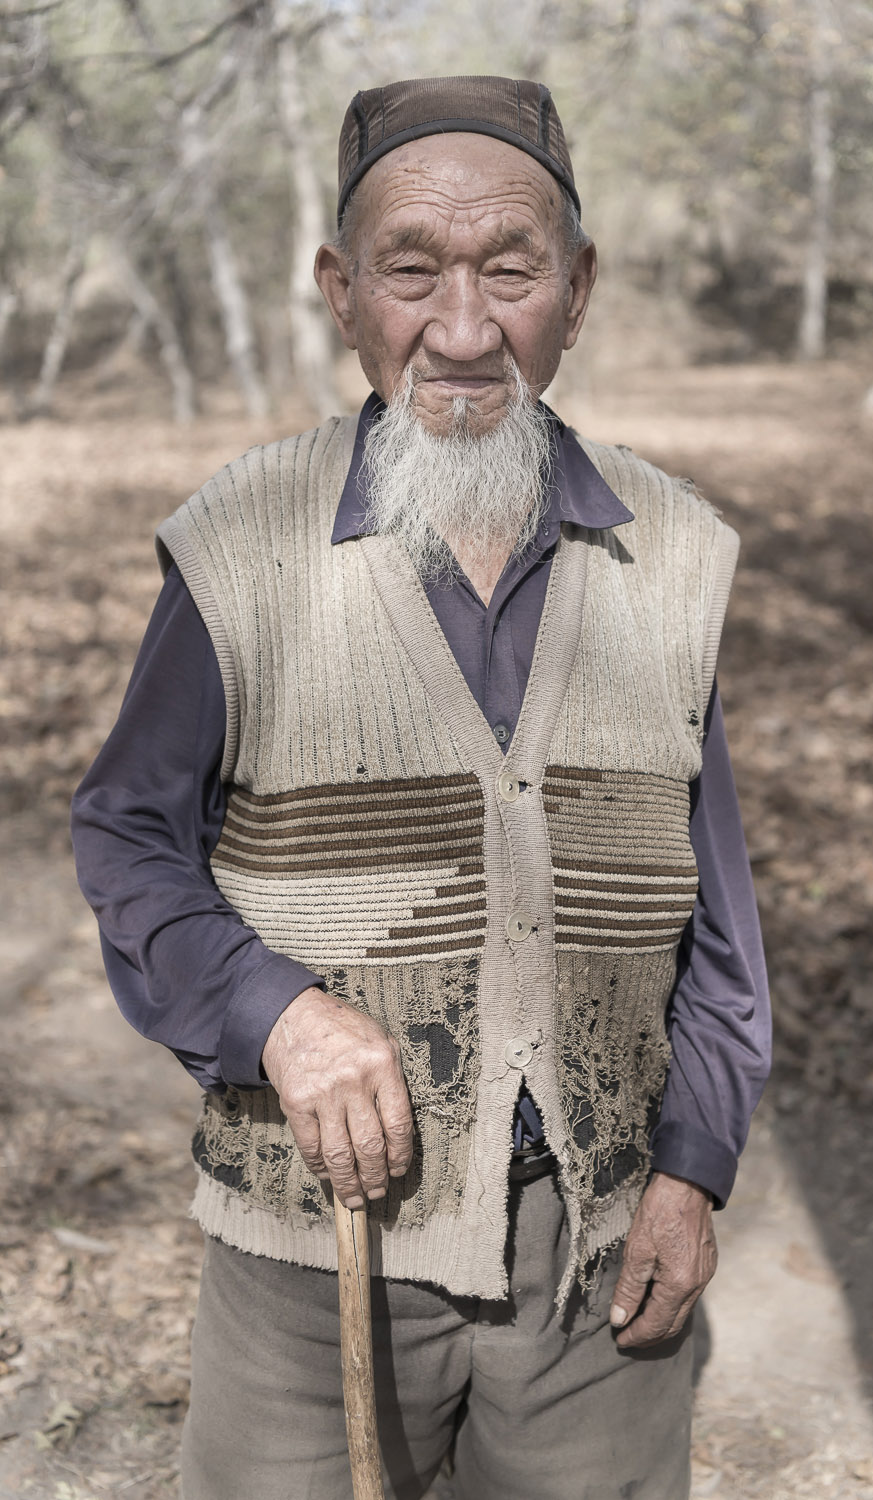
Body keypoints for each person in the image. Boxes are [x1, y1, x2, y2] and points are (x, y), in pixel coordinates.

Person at [72, 75, 770, 1500]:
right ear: (340, 290)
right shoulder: (240, 543)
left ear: (576, 292)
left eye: (510, 271)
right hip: (307, 1250)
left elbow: (719, 922)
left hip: (593, 1254)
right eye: (411, 271)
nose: (462, 331)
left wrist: (691, 1169)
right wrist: (277, 1015)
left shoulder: (678, 552)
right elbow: (125, 837)